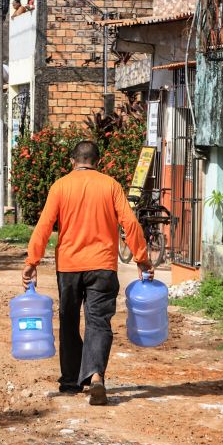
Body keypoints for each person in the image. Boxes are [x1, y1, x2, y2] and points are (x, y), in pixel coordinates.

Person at [22, 141, 153, 406]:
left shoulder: (60, 186)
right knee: (98, 321)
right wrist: (142, 259)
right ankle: (95, 377)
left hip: (69, 267)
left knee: (69, 320)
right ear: (97, 161)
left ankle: (70, 381)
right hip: (103, 266)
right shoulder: (111, 186)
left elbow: (44, 225)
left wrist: (31, 261)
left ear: (73, 161)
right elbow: (130, 223)